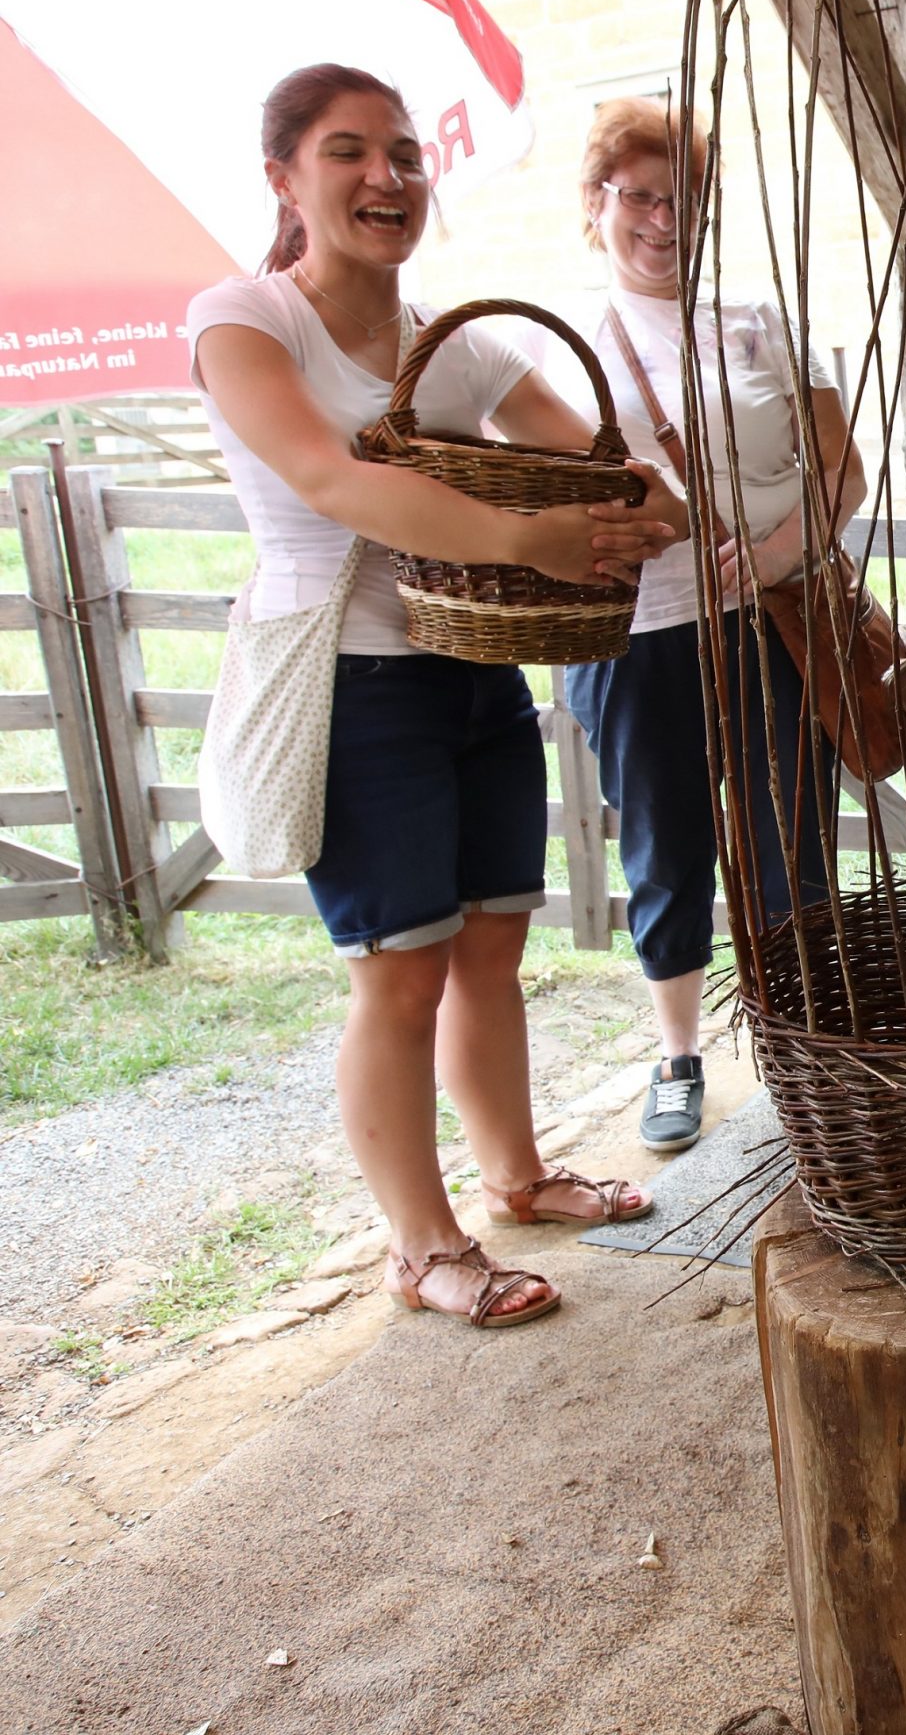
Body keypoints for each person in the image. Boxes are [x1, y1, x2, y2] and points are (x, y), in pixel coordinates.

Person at [190, 65, 689, 1329]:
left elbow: (594, 451)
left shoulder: (456, 343)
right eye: (348, 151)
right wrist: (529, 540)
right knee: (400, 973)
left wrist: (641, 495)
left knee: (492, 951)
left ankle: (516, 1176)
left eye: (406, 154)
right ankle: (420, 1247)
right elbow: (332, 480)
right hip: (349, 686)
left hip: (473, 670)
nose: (387, 176)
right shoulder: (244, 321)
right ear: (283, 178)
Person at [533, 95, 870, 1151]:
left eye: (685, 198)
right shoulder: (560, 346)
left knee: (792, 843)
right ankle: (678, 1054)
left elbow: (842, 470)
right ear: (597, 203)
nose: (663, 220)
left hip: (774, 619)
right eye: (639, 196)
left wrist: (773, 553)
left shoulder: (762, 320)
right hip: (636, 637)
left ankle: (803, 1052)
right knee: (665, 843)